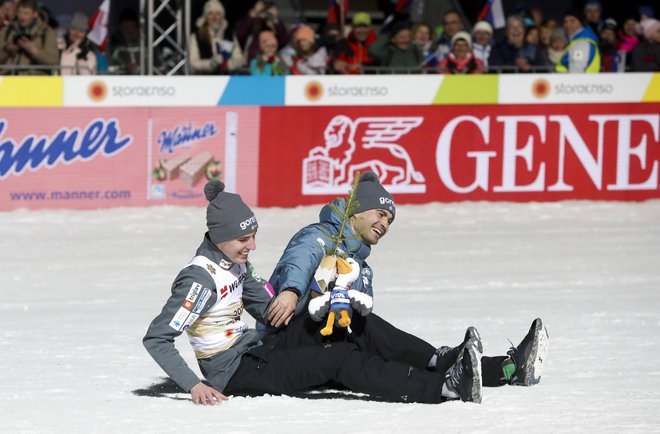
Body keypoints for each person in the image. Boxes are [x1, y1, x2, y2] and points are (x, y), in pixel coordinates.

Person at [143, 180, 484, 405]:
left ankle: (441, 360)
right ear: (220, 235)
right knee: (338, 357)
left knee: (348, 319)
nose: (253, 246)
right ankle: (444, 387)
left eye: (254, 236)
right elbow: (157, 338)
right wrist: (194, 386)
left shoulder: (234, 265)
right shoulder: (200, 280)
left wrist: (319, 300)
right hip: (236, 373)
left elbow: (268, 310)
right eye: (244, 239)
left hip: (259, 348)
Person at [264, 172, 549, 390]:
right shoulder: (321, 236)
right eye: (381, 214)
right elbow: (300, 259)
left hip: (327, 342)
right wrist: (291, 290)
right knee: (373, 333)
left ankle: (506, 369)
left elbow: (361, 316)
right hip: (287, 341)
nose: (385, 225)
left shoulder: (360, 267)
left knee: (396, 357)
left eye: (390, 220)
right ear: (357, 210)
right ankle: (440, 358)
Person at [0, 0, 58, 75]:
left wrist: (34, 51)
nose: (22, 17)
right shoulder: (6, 31)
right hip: (8, 81)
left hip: (34, 82)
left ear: (35, 14)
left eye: (26, 13)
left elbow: (54, 62)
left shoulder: (47, 33)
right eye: (20, 13)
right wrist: (7, 50)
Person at [189, 0, 243, 75]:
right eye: (210, 13)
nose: (214, 17)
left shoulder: (229, 35)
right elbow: (192, 63)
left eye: (218, 13)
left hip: (226, 80)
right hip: (203, 80)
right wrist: (210, 64)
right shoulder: (197, 36)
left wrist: (228, 65)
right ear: (206, 17)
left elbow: (240, 59)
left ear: (222, 16)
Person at [236, 0, 288, 65]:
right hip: (253, 64)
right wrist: (253, 14)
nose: (265, 14)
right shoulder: (252, 24)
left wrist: (275, 19)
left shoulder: (275, 26)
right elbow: (241, 35)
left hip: (273, 65)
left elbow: (284, 41)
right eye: (263, 10)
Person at [555, 8, 601, 73]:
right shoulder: (576, 41)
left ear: (581, 22)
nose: (568, 25)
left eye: (572, 21)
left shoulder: (582, 43)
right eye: (565, 21)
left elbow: (576, 71)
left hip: (579, 83)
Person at [109, 8, 140, 74]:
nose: (129, 31)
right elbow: (110, 65)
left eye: (132, 27)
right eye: (126, 27)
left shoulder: (145, 44)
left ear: (137, 28)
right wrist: (125, 66)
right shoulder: (113, 44)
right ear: (120, 28)